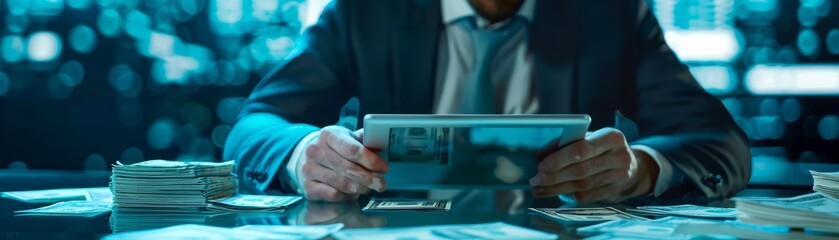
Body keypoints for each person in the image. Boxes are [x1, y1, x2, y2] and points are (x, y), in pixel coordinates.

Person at [223, 0, 751, 203]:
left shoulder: (609, 15)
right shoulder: (368, 13)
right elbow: (254, 125)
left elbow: (719, 140)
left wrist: (639, 168)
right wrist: (304, 155)